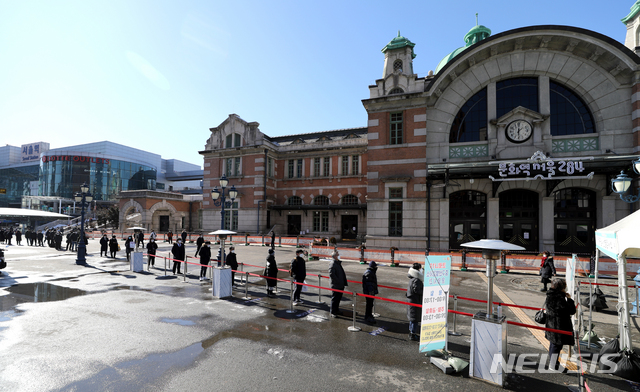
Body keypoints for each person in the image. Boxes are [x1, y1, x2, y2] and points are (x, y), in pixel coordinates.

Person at [544, 278, 576, 372]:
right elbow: (571, 311)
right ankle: (553, 365)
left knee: (553, 345)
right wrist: (569, 300)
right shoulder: (560, 298)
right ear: (562, 287)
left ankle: (554, 364)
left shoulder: (550, 295)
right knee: (556, 346)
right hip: (559, 325)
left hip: (551, 324)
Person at [406, 263, 424, 341]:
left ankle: (411, 332)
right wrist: (424, 291)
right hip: (415, 301)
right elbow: (416, 290)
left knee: (412, 318)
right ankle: (413, 334)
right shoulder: (416, 279)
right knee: (415, 318)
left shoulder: (412, 278)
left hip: (411, 300)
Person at [328, 250, 348, 317]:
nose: (338, 255)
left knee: (338, 298)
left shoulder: (337, 263)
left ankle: (336, 310)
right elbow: (332, 274)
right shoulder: (333, 263)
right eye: (337, 254)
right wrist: (338, 281)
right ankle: (332, 312)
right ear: (334, 256)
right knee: (335, 299)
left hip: (340, 284)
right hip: (336, 285)